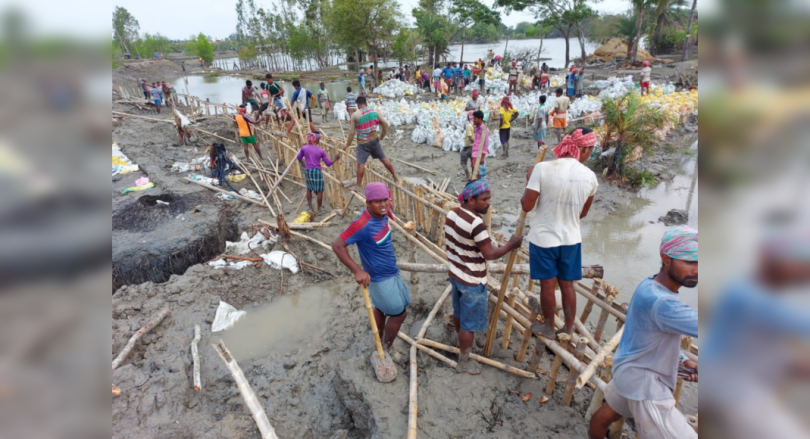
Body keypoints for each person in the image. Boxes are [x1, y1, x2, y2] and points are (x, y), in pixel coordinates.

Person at [589, 226, 698, 439]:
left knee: (605, 416)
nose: (696, 269)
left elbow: (648, 334)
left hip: (628, 368)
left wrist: (681, 358)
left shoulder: (650, 284)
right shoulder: (663, 302)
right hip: (646, 384)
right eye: (689, 262)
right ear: (666, 259)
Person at [519, 128, 598, 339]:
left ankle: (549, 328)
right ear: (586, 148)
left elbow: (527, 206)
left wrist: (529, 181)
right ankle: (569, 329)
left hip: (544, 238)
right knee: (567, 285)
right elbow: (582, 213)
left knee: (547, 284)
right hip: (571, 239)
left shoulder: (542, 168)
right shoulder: (590, 177)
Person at [445, 179, 523, 374]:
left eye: (489, 198)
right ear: (470, 200)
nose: (489, 203)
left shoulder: (452, 213)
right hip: (472, 280)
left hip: (455, 273)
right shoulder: (476, 224)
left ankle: (459, 339)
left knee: (459, 313)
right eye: (484, 199)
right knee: (469, 325)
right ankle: (464, 361)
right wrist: (510, 245)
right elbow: (489, 254)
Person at [332, 182, 411, 354]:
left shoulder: (382, 216)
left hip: (390, 272)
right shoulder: (362, 224)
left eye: (385, 200)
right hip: (380, 278)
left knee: (382, 309)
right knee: (399, 315)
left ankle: (380, 338)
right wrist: (357, 270)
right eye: (377, 201)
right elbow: (337, 246)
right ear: (367, 203)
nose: (383, 204)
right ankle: (385, 348)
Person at [343, 96, 395, 187]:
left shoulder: (355, 115)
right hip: (374, 141)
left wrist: (347, 145)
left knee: (361, 165)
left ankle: (358, 186)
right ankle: (395, 175)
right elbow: (385, 124)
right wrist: (381, 136)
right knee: (383, 159)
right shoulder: (374, 112)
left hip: (363, 144)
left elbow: (351, 132)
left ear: (358, 105)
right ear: (366, 104)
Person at [296, 131, 340, 213]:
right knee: (320, 190)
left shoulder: (304, 148)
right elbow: (328, 164)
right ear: (316, 140)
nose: (319, 140)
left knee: (309, 189)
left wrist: (304, 165)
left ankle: (310, 207)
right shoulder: (321, 151)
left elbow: (298, 158)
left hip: (308, 171)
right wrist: (335, 158)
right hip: (317, 171)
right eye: (319, 139)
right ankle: (319, 209)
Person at [462, 110, 490, 179]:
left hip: (479, 154)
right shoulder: (475, 128)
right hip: (474, 151)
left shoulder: (485, 130)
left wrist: (483, 156)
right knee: (475, 170)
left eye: (475, 119)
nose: (473, 120)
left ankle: (482, 185)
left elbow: (485, 144)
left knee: (481, 171)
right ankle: (478, 184)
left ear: (480, 119)